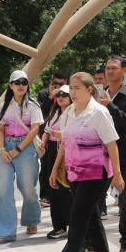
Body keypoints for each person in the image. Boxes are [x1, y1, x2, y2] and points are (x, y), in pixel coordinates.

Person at [43, 73, 125, 252]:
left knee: (78, 216)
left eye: (77, 88)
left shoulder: (99, 112)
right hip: (75, 172)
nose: (72, 92)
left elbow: (112, 144)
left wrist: (118, 175)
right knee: (91, 216)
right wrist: (55, 168)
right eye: (70, 88)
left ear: (89, 89)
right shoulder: (68, 112)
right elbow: (66, 141)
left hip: (96, 173)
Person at [0, 69, 44, 244]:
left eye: (24, 82)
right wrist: (1, 149)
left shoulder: (33, 105)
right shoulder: (4, 105)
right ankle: (6, 231)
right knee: (3, 189)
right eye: (17, 82)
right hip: (5, 145)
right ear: (11, 85)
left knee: (27, 187)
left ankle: (31, 219)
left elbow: (35, 129)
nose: (21, 86)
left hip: (25, 147)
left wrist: (18, 149)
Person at [99, 56, 126, 252]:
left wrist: (111, 106)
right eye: (107, 68)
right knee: (93, 200)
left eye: (114, 68)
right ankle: (91, 242)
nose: (110, 71)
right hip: (99, 155)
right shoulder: (98, 95)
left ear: (124, 70)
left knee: (125, 201)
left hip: (124, 155)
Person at [38, 85, 73, 239]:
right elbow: (47, 130)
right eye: (58, 95)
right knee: (53, 188)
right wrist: (43, 141)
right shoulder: (55, 112)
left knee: (66, 190)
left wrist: (61, 134)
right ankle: (59, 226)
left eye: (64, 95)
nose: (60, 98)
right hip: (52, 151)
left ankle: (72, 225)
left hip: (67, 152)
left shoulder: (74, 112)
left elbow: (71, 134)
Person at [36, 72, 67, 204]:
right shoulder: (44, 94)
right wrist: (50, 96)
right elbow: (42, 113)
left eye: (61, 84)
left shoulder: (70, 105)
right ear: (51, 83)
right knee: (46, 167)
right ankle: (45, 196)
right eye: (55, 83)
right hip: (48, 137)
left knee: (61, 170)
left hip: (64, 144)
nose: (58, 87)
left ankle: (61, 196)